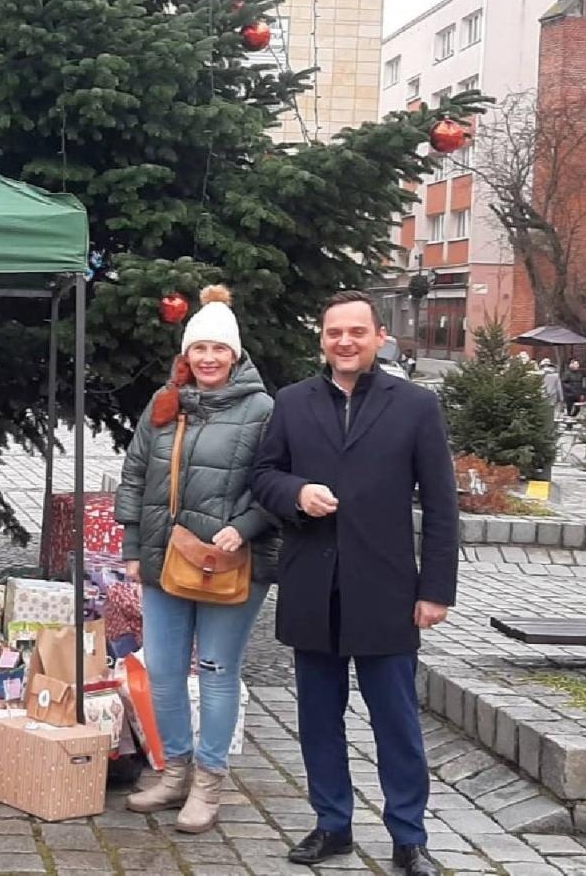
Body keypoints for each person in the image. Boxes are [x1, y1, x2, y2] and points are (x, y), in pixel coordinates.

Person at [251, 291, 458, 876]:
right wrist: (296, 493)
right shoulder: (292, 403)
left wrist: (436, 589)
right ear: (322, 338)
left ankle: (408, 836)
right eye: (334, 332)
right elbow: (262, 477)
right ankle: (332, 823)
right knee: (319, 716)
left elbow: (442, 506)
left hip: (387, 589)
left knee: (396, 719)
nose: (345, 341)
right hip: (313, 585)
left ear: (378, 338)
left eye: (357, 332)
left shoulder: (416, 405)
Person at [113, 285, 277, 833]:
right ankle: (173, 771)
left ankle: (210, 781)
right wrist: (134, 547)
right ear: (186, 354)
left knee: (215, 670)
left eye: (218, 349)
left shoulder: (262, 411)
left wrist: (244, 528)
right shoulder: (165, 403)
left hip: (230, 564)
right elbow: (136, 473)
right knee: (161, 670)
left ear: (235, 354)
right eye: (198, 348)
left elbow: (276, 483)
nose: (208, 358)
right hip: (165, 559)